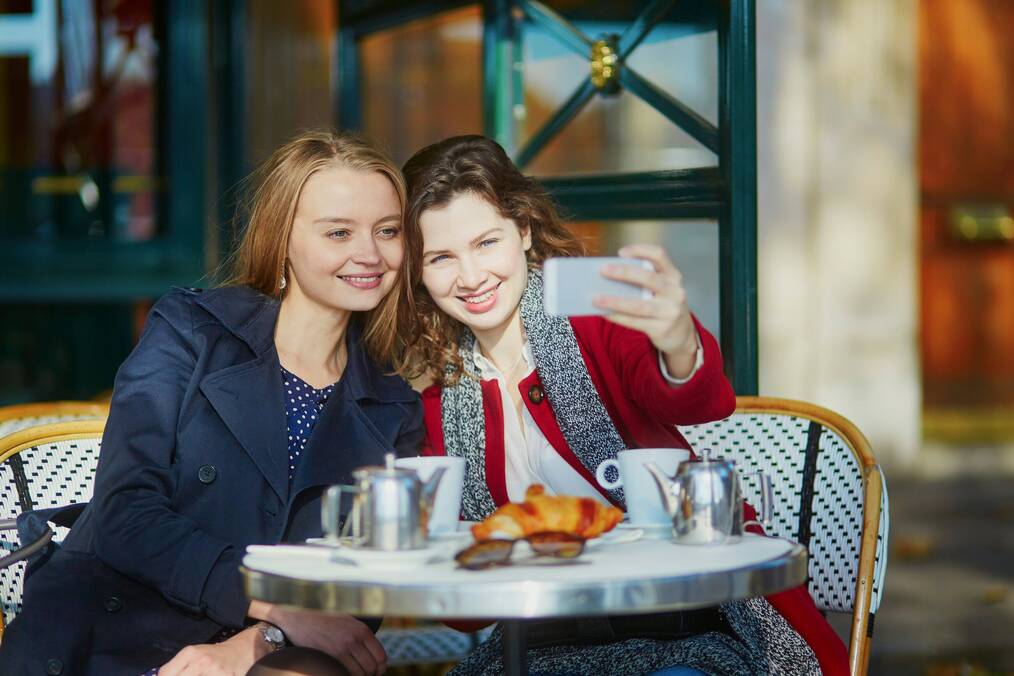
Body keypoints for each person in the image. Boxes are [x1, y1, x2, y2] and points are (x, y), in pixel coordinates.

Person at [394, 135, 849, 676]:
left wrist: (678, 340)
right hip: (545, 648)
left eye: (486, 242)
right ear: (418, 272)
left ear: (524, 230)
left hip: (696, 623)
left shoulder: (597, 321)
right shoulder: (438, 402)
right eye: (442, 257)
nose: (470, 277)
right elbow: (468, 617)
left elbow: (698, 399)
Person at [0, 130, 424, 676]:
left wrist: (260, 640)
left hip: (270, 655)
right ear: (282, 239)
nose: (369, 254)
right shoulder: (190, 331)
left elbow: (360, 589)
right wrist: (276, 609)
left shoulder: (392, 404)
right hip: (108, 635)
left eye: (386, 231)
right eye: (338, 232)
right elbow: (123, 513)